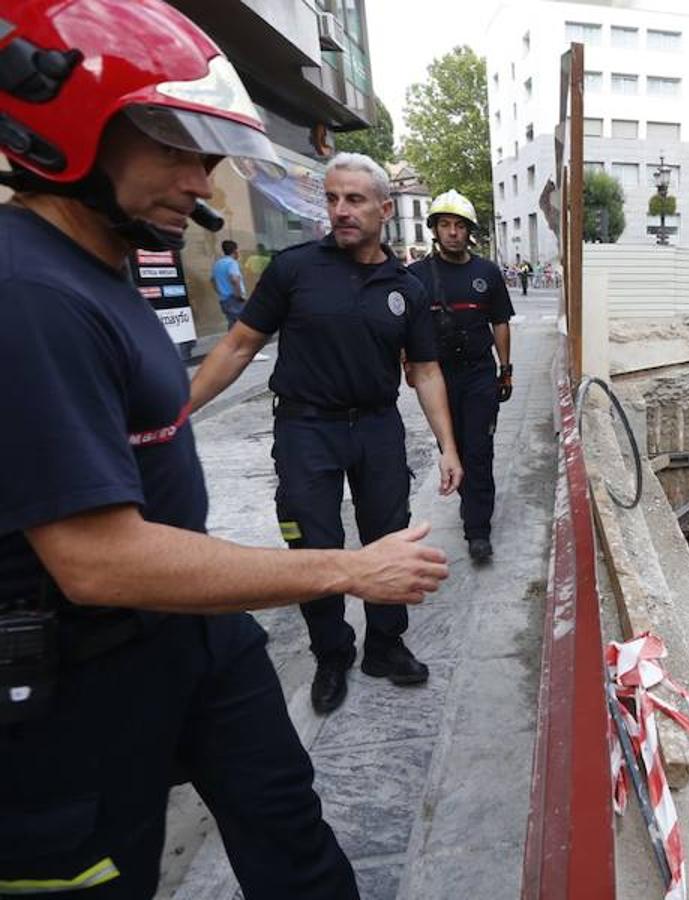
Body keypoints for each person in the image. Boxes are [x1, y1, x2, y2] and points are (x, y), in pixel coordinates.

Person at [0, 2, 449, 897]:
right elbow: (94, 559)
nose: (200, 181)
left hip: (196, 638)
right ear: (70, 127)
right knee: (103, 871)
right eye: (173, 146)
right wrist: (346, 572)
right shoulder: (27, 294)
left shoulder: (99, 262)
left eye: (206, 154)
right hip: (84, 677)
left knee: (291, 833)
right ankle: (331, 652)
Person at [190, 152, 464, 715]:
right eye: (333, 198)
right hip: (304, 428)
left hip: (377, 428)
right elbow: (239, 346)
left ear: (384, 209)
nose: (340, 211)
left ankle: (385, 646)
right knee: (312, 542)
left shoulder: (406, 288)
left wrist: (448, 447)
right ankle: (331, 653)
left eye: (355, 200)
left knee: (389, 536)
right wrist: (178, 411)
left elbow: (426, 370)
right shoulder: (294, 270)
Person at [409, 191, 514, 564]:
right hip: (438, 377)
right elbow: (405, 329)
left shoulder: (487, 273)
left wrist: (506, 368)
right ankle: (467, 497)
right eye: (445, 225)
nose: (452, 232)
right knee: (451, 448)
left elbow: (499, 321)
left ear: (468, 232)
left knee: (479, 449)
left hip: (479, 375)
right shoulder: (416, 276)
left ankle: (477, 529)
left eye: (459, 226)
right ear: (435, 230)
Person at [211, 239, 246, 329]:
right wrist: (239, 295)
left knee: (232, 323)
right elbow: (235, 279)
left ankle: (233, 342)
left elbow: (212, 280)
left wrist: (220, 292)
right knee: (242, 324)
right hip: (234, 299)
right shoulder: (232, 263)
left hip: (224, 300)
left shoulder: (217, 264)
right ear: (235, 251)